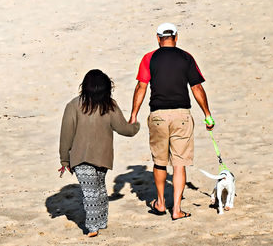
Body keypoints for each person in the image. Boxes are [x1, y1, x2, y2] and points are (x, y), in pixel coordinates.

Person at [129, 23, 214, 220]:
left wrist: (134, 114)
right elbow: (196, 88)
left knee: (160, 162)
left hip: (158, 115)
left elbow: (141, 87)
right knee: (179, 163)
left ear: (158, 38)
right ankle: (176, 209)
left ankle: (160, 203)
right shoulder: (186, 57)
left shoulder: (149, 58)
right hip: (181, 115)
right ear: (176, 37)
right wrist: (207, 114)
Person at [59, 69, 140, 237]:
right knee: (97, 190)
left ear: (85, 86)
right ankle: (96, 224)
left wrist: (64, 159)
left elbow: (66, 134)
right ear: (106, 88)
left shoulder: (73, 105)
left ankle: (97, 224)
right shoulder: (110, 105)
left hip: (80, 157)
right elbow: (124, 129)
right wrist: (135, 126)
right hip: (103, 157)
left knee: (94, 191)